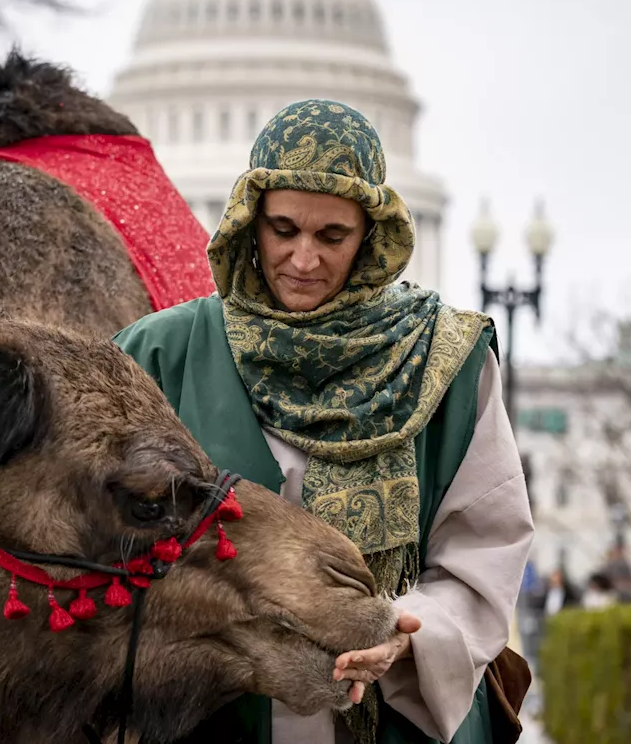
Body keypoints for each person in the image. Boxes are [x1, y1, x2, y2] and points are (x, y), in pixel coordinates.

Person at [114, 100, 535, 744]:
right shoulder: (158, 355)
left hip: (389, 719)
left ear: (371, 233)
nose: (303, 260)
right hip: (204, 720)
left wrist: (406, 634)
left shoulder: (445, 361)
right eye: (283, 229)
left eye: (331, 237)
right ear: (248, 224)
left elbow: (483, 551)